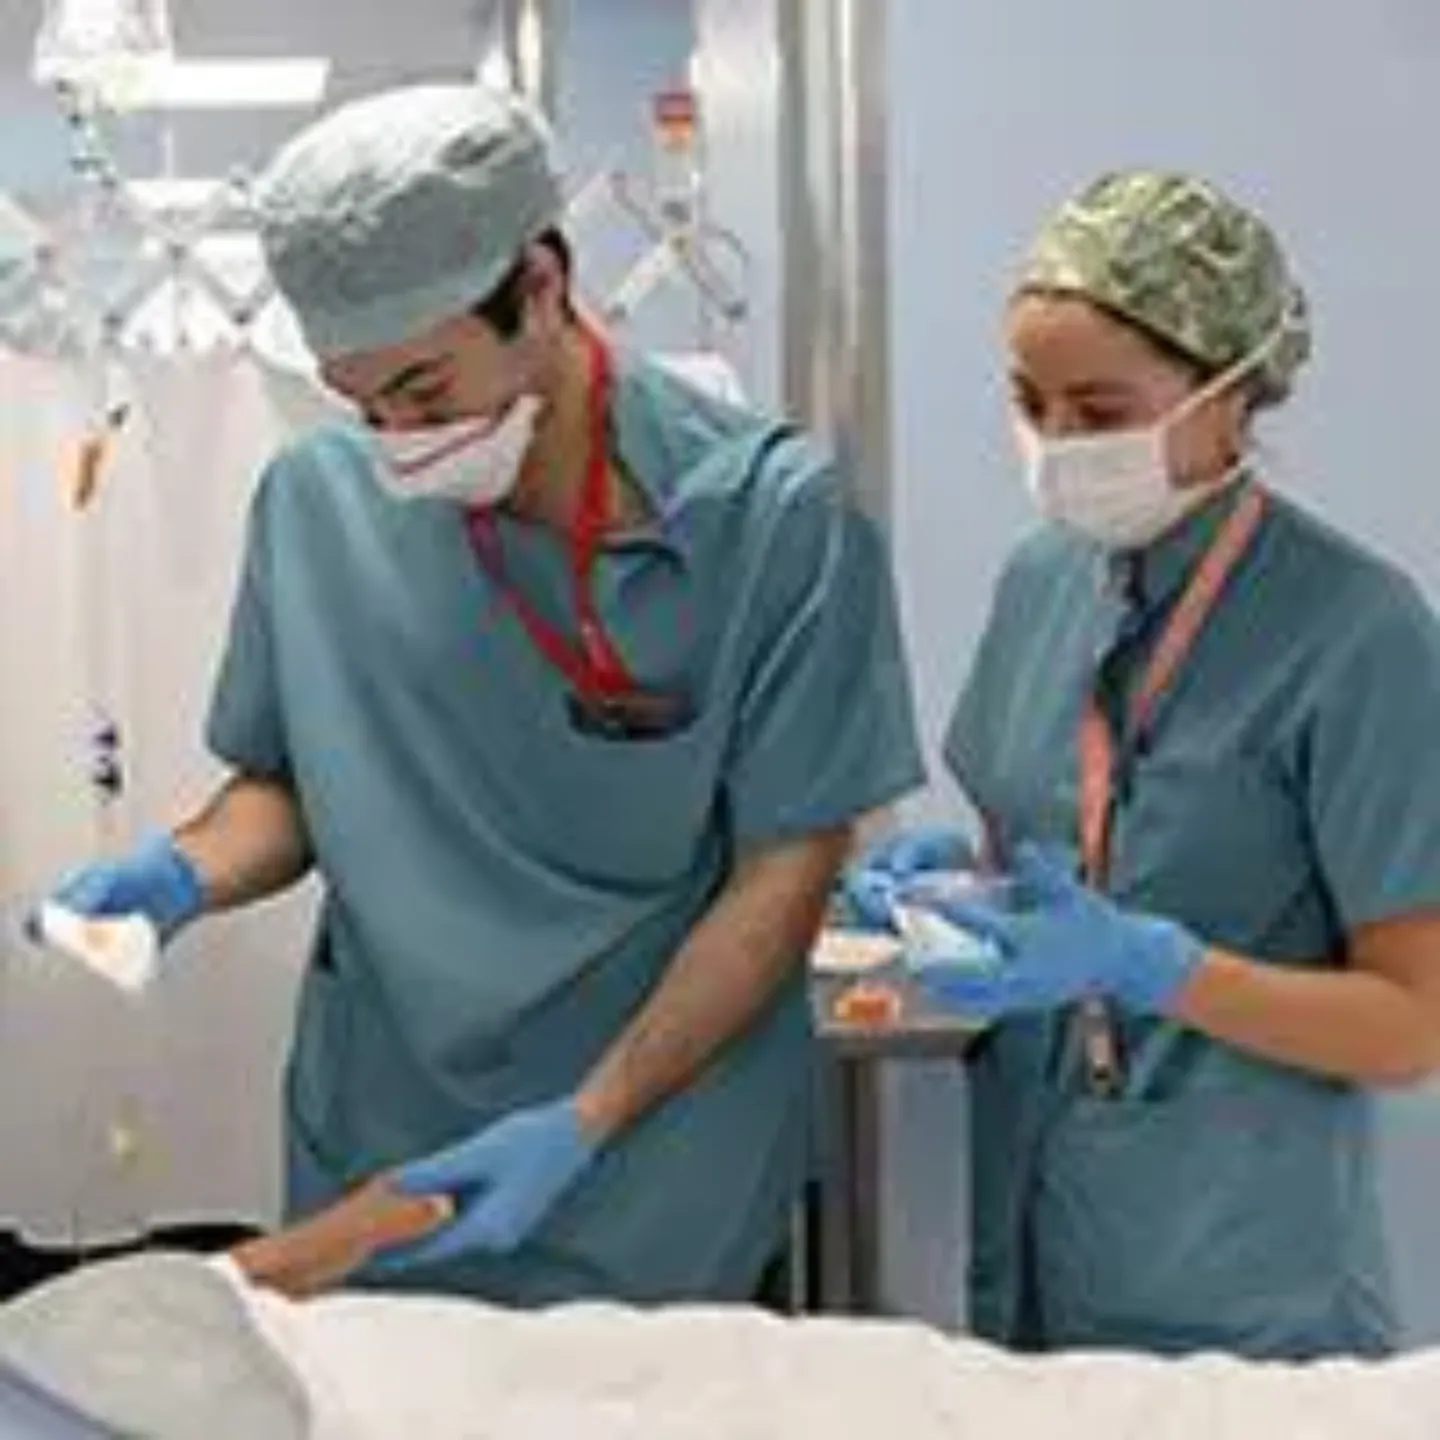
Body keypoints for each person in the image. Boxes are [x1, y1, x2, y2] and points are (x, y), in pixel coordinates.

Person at [40, 83, 923, 1306]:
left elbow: (785, 876)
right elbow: (294, 789)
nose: (399, 438)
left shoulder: (767, 522)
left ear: (543, 287)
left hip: (659, 1156)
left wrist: (588, 1118)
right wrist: (183, 875)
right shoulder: (320, 505)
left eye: (425, 388)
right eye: (361, 401)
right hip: (381, 1139)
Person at [847, 171, 1440, 1360]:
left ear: (1230, 392)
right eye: (1031, 402)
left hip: (1247, 1294)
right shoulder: (1042, 583)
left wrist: (1158, 968)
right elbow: (1058, 858)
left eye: (1102, 408)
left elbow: (1412, 1026)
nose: (1060, 444)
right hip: (1033, 1256)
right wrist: (957, 889)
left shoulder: (1357, 633)